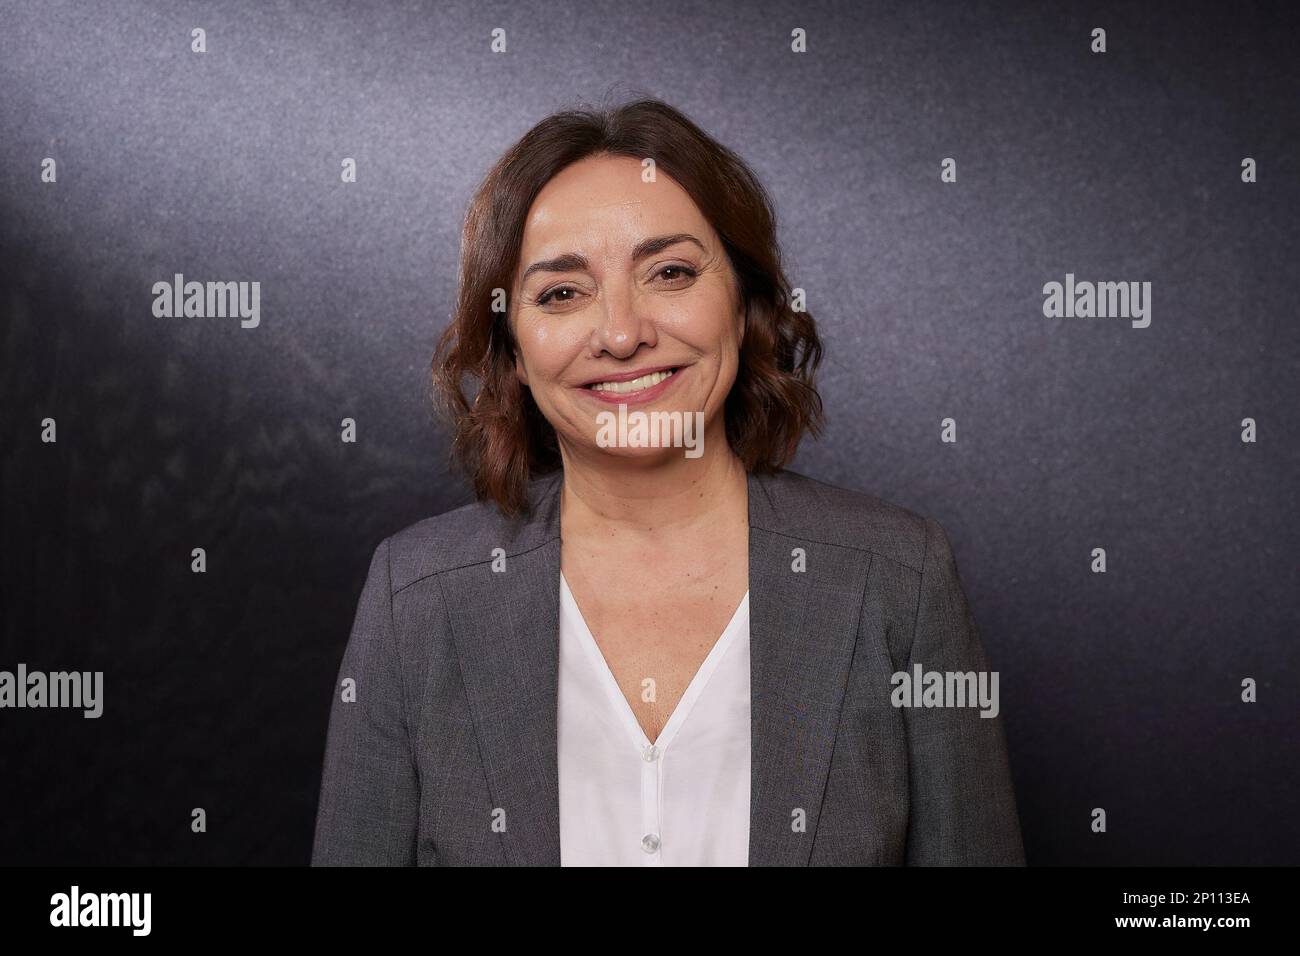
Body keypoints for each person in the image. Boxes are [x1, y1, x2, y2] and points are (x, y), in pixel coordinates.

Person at [311, 97, 1025, 866]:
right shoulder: (416, 597)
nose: (622, 333)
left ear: (745, 305)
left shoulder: (899, 578)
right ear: (511, 349)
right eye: (561, 292)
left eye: (671, 272)